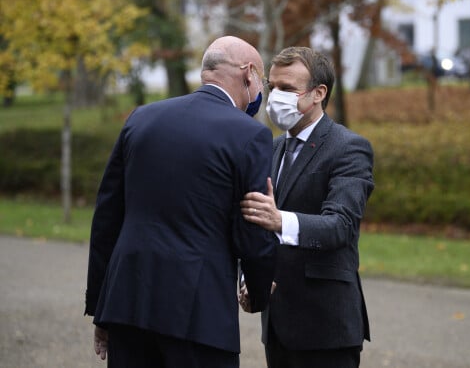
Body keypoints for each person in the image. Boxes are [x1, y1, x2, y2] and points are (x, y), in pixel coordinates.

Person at [84, 35, 277, 368]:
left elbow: (107, 217)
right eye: (262, 81)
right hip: (198, 315)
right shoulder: (249, 134)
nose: (261, 91)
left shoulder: (141, 119)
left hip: (127, 305)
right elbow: (253, 224)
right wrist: (258, 294)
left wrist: (102, 307)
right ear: (249, 74)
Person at [239, 46, 375, 368]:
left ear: (318, 93)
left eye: (288, 89)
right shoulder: (271, 149)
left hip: (326, 328)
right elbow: (257, 223)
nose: (275, 97)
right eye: (273, 87)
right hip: (277, 327)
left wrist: (279, 220)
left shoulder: (349, 148)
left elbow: (340, 225)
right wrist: (250, 278)